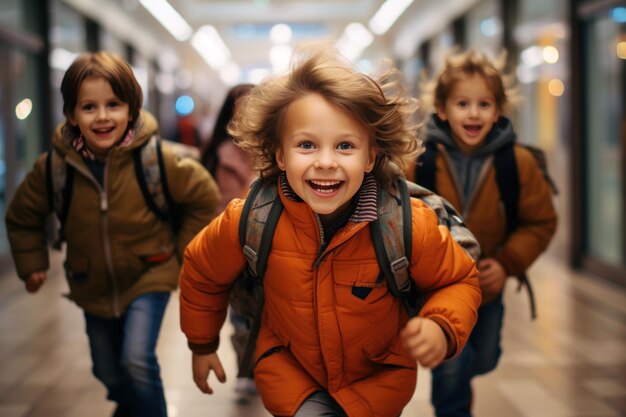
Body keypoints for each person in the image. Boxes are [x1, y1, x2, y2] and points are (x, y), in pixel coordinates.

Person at [179, 44, 482, 417]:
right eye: (306, 145)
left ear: (370, 156)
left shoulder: (404, 224)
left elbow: (458, 280)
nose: (326, 162)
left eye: (345, 146)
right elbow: (202, 270)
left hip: (378, 381)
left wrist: (440, 325)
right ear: (279, 155)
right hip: (291, 374)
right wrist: (202, 343)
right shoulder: (251, 219)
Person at [5, 51, 220, 417]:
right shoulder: (56, 167)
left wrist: (184, 253)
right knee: (106, 370)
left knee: (137, 359)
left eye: (114, 105)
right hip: (91, 282)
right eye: (89, 107)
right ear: (71, 114)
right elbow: (23, 215)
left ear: (131, 110)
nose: (103, 116)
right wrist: (32, 262)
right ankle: (128, 404)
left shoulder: (156, 159)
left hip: (150, 272)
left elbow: (204, 198)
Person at [410, 49, 557, 417]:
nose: (473, 113)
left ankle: (460, 383)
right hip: (439, 285)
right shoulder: (419, 160)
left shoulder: (517, 163)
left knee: (484, 357)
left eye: (484, 104)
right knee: (453, 363)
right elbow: (400, 213)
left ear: (498, 111)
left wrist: (506, 264)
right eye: (462, 103)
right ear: (442, 109)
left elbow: (540, 221)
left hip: (489, 286)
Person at [199, 83, 258, 398]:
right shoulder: (215, 154)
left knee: (267, 313)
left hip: (267, 246)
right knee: (239, 316)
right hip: (229, 244)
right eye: (241, 106)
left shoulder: (274, 150)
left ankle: (263, 366)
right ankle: (246, 369)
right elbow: (201, 201)